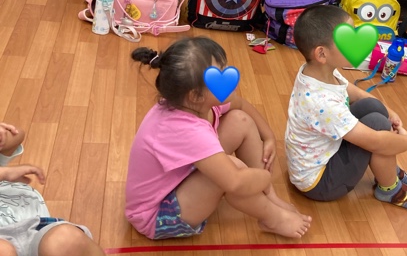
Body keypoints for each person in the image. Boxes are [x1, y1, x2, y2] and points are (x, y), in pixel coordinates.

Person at [125, 38, 312, 240]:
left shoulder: (192, 103)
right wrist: (264, 178)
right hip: (157, 217)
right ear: (195, 96)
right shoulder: (187, 131)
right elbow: (234, 183)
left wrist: (268, 137)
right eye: (219, 76)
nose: (229, 78)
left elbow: (240, 104)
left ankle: (270, 198)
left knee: (240, 120)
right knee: (234, 172)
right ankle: (273, 218)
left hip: (179, 181)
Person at [285, 5, 407, 210]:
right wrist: (406, 141)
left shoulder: (319, 71)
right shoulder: (322, 103)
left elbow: (356, 93)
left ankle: (388, 169)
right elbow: (375, 141)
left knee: (373, 106)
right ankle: (390, 190)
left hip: (324, 154)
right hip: (321, 184)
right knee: (377, 125)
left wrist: (389, 111)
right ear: (322, 53)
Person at [0, 123, 113, 256]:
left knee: (66, 241)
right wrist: (5, 173)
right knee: (4, 255)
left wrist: (3, 133)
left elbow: (17, 135)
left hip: (32, 230)